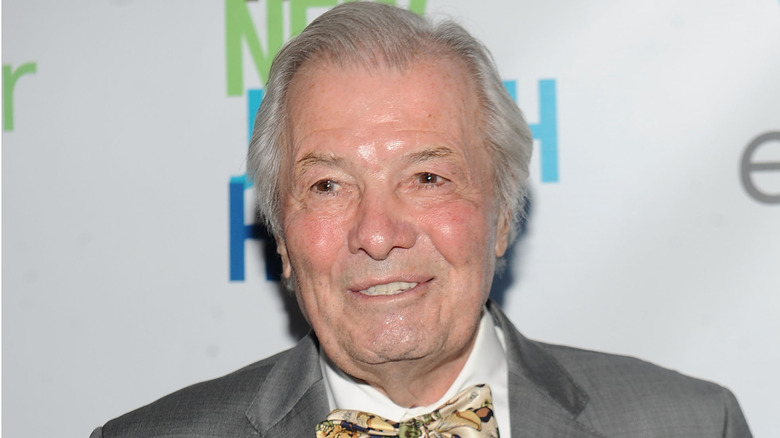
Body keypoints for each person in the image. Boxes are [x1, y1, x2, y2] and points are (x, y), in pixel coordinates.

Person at [91, 2, 752, 437]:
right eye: (327, 185)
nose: (377, 234)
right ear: (282, 237)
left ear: (502, 213)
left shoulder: (688, 424)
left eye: (427, 178)